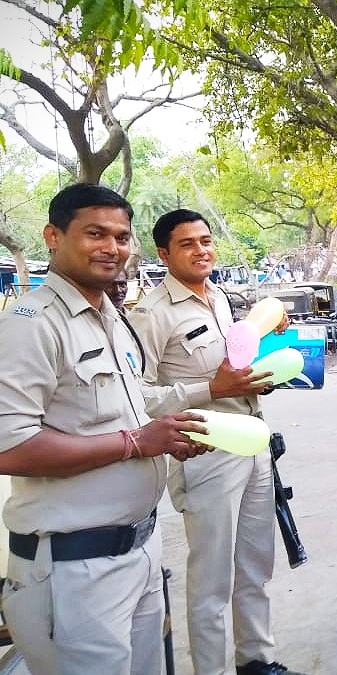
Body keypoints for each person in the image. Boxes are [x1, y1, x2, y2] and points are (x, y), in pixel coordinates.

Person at [0, 183, 209, 674]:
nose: (112, 247)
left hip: (138, 549)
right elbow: (10, 448)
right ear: (53, 236)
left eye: (121, 236)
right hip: (75, 568)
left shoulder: (109, 316)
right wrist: (135, 443)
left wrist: (164, 433)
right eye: (95, 233)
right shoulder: (32, 323)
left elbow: (127, 409)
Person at [128, 209, 300, 675]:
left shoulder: (220, 298)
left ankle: (257, 660)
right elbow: (137, 394)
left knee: (255, 565)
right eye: (187, 243)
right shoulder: (151, 314)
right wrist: (211, 389)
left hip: (253, 440)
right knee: (211, 579)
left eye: (205, 241)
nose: (201, 250)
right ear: (164, 254)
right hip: (204, 451)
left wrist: (259, 372)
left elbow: (233, 365)